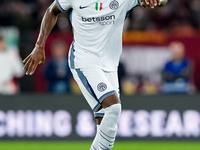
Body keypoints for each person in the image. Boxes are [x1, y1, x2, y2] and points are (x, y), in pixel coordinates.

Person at [23, 0, 160, 149]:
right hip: (84, 61)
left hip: (110, 65)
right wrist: (39, 45)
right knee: (113, 109)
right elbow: (52, 10)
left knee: (105, 122)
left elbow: (162, 2)